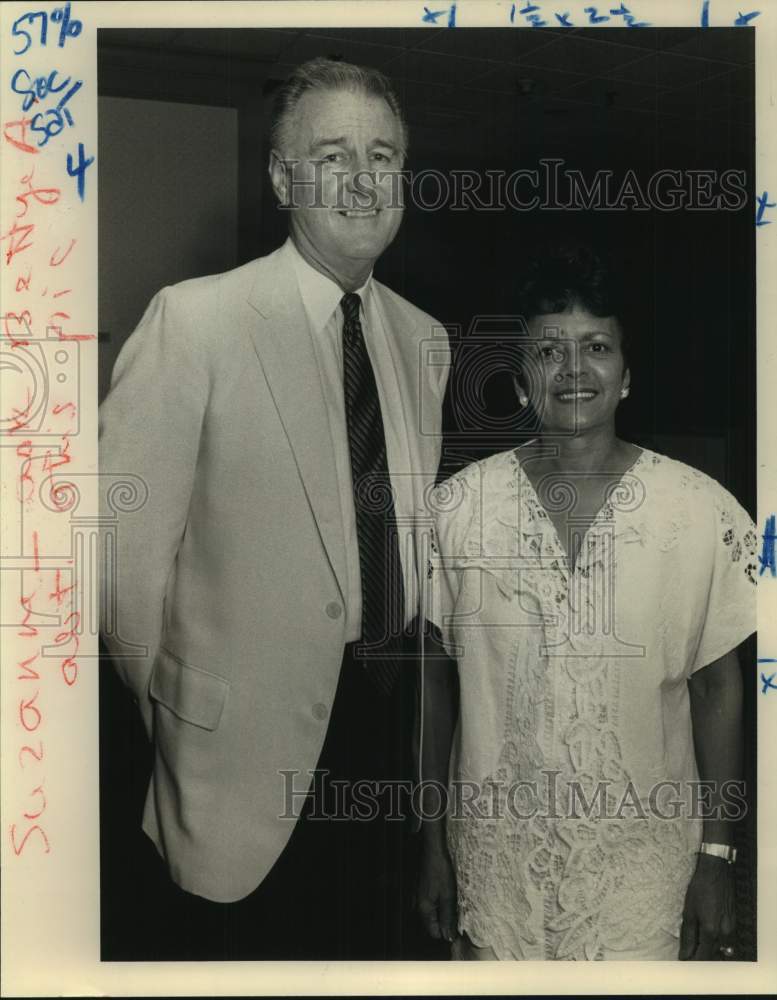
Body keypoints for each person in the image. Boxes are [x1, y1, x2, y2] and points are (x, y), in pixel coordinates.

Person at [99, 57, 449, 960]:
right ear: (281, 177)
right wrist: (185, 717)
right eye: (332, 155)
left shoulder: (426, 341)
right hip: (234, 767)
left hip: (385, 739)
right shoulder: (195, 321)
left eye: (383, 155)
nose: (364, 180)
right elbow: (118, 572)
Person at [417, 243, 756, 961]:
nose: (573, 370)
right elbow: (433, 687)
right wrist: (432, 842)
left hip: (644, 879)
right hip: (498, 872)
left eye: (596, 346)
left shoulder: (699, 511)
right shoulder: (456, 509)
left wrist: (718, 858)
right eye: (549, 350)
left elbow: (719, 688)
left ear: (625, 375)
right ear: (520, 378)